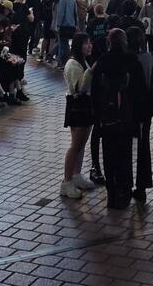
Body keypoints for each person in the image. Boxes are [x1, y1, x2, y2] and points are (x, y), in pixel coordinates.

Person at [92, 27, 147, 209]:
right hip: (127, 117)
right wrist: (138, 116)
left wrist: (97, 115)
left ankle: (111, 192)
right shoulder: (132, 61)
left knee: (108, 154)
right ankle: (125, 190)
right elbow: (140, 92)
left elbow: (95, 91)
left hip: (107, 117)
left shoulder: (103, 61)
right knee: (125, 153)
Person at [61, 32, 96, 199]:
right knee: (75, 145)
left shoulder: (82, 61)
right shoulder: (73, 64)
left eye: (90, 42)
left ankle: (77, 175)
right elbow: (79, 88)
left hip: (86, 105)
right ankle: (66, 182)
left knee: (82, 144)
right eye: (85, 43)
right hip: (77, 106)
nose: (89, 45)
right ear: (77, 45)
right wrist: (91, 71)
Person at [128, 25, 153, 201]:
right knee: (143, 144)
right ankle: (142, 185)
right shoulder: (150, 57)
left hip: (129, 106)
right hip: (147, 105)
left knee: (125, 145)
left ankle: (125, 183)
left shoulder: (128, 59)